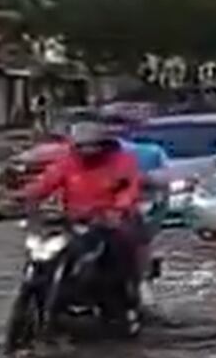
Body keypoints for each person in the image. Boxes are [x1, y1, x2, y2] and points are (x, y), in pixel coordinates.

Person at [21, 120, 148, 310]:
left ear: (104, 145)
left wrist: (117, 208)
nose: (88, 151)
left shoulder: (121, 161)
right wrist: (19, 199)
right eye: (82, 146)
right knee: (49, 251)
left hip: (111, 220)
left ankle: (126, 294)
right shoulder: (67, 163)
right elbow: (44, 184)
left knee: (120, 247)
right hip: (74, 220)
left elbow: (129, 188)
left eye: (93, 146)